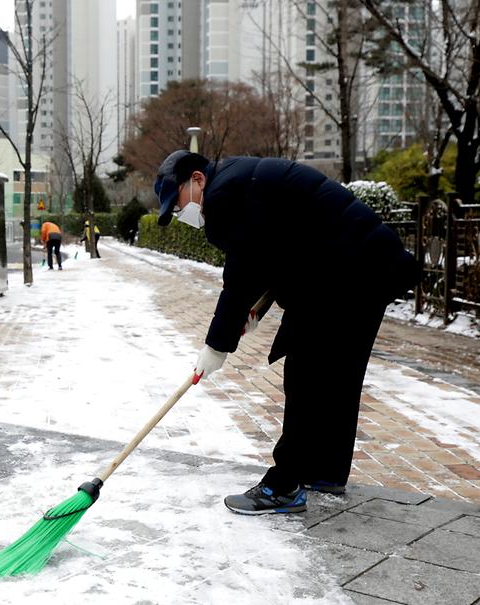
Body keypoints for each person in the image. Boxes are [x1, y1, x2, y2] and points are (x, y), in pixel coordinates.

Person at [154, 150, 420, 515]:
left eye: (179, 202)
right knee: (337, 376)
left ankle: (283, 486)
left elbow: (242, 276)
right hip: (368, 266)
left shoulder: (224, 194)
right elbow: (279, 251)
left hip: (346, 274)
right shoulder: (241, 177)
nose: (182, 213)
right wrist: (256, 312)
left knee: (307, 375)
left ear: (197, 179)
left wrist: (217, 345)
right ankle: (324, 471)